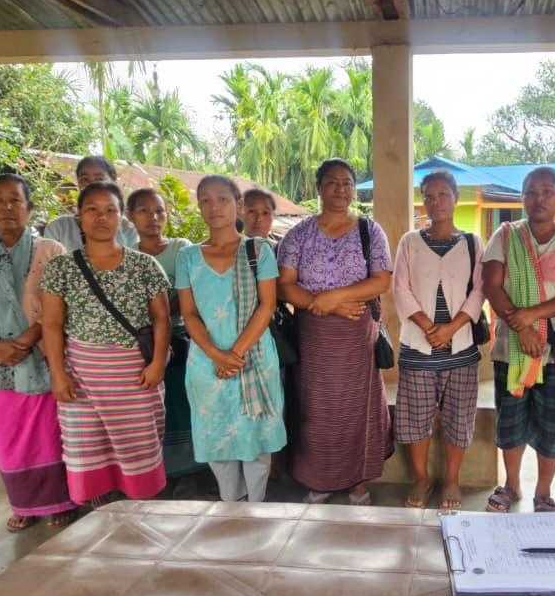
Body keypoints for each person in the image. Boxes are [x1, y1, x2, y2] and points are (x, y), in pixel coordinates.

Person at [0, 171, 77, 531]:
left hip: (43, 356)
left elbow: (63, 302)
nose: (7, 207)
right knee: (7, 436)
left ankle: (59, 501)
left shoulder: (52, 251)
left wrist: (27, 338)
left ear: (29, 208)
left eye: (15, 200)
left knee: (50, 434)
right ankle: (23, 504)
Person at [39, 181, 171, 506]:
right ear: (78, 216)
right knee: (90, 455)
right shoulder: (61, 268)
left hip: (135, 379)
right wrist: (58, 373)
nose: (101, 217)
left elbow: (162, 320)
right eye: (92, 210)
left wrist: (156, 364)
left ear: (121, 217)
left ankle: (141, 522)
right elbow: (52, 324)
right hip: (82, 382)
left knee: (138, 452)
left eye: (110, 210)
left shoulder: (144, 265)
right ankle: (103, 523)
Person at [481, 166, 555, 513]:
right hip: (512, 349)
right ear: (522, 198)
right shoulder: (505, 236)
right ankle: (511, 486)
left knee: (554, 424)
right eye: (531, 191)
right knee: (511, 420)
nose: (539, 199)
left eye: (547, 191)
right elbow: (492, 286)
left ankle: (543, 492)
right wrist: (523, 329)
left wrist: (532, 316)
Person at [277, 158, 393, 505]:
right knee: (317, 407)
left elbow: (382, 280)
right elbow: (285, 286)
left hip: (358, 334)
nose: (340, 189)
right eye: (332, 182)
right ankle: (320, 479)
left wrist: (336, 298)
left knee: (360, 407)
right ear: (319, 188)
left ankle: (358, 481)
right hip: (314, 336)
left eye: (347, 183)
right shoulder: (299, 234)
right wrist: (321, 304)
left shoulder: (369, 231)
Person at [176, 176, 287, 502]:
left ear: (238, 205)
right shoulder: (188, 257)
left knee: (255, 438)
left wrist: (233, 355)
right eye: (205, 201)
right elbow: (189, 314)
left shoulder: (259, 250)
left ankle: (256, 505)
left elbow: (267, 306)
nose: (214, 207)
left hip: (252, 358)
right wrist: (216, 354)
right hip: (206, 363)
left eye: (222, 199)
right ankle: (231, 505)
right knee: (218, 439)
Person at [392, 171, 486, 511]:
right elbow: (399, 287)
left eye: (443, 194)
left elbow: (480, 290)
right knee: (415, 415)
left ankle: (451, 480)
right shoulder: (409, 242)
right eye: (429, 196)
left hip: (460, 348)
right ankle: (421, 477)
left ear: (456, 197)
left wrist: (451, 328)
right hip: (418, 346)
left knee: (458, 417)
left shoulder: (473, 242)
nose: (436, 202)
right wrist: (428, 326)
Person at [126, 187, 201, 484]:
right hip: (144, 344)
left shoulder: (182, 248)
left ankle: (192, 472)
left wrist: (162, 308)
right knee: (156, 410)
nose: (153, 217)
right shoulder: (127, 256)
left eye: (159, 211)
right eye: (144, 210)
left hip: (182, 338)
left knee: (185, 404)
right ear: (130, 216)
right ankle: (161, 473)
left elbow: (192, 292)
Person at [42, 156, 138, 252]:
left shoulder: (127, 230)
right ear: (78, 183)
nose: (91, 185)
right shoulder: (58, 228)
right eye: (85, 179)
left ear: (113, 181)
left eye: (99, 179)